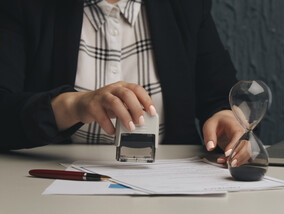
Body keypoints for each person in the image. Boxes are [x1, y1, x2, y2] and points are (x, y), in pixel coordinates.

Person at [0, 0, 250, 165]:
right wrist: (73, 106)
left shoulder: (186, 6)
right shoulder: (23, 6)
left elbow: (221, 97)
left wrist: (227, 118)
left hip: (170, 187)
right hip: (52, 186)